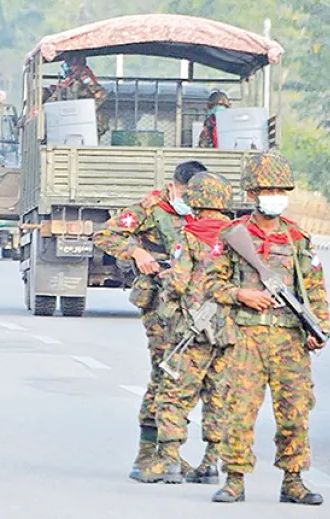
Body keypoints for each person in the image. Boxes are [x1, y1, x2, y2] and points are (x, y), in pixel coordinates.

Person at [205, 151, 330, 505]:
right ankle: (233, 479)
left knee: (295, 411)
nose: (275, 195)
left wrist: (318, 328)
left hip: (290, 339)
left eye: (280, 189)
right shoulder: (233, 235)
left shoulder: (297, 239)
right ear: (251, 194)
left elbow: (315, 289)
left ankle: (294, 481)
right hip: (246, 336)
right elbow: (209, 284)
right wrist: (241, 293)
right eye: (266, 189)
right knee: (239, 410)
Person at [92, 160, 207, 481]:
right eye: (187, 192)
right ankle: (148, 454)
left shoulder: (203, 210)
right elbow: (105, 235)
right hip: (159, 300)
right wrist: (136, 252)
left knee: (188, 377)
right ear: (175, 186)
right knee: (165, 372)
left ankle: (170, 453)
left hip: (194, 302)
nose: (192, 198)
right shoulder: (150, 207)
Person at [138, 172, 236, 485]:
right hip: (227, 327)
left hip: (192, 328)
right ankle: (211, 461)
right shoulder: (239, 234)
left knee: (174, 393)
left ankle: (169, 461)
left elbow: (178, 282)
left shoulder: (189, 235)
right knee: (218, 393)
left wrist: (166, 292)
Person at [60, 52, 108, 137]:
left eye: (71, 63)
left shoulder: (84, 76)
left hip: (89, 123)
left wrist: (88, 110)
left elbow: (101, 94)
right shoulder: (70, 79)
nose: (69, 66)